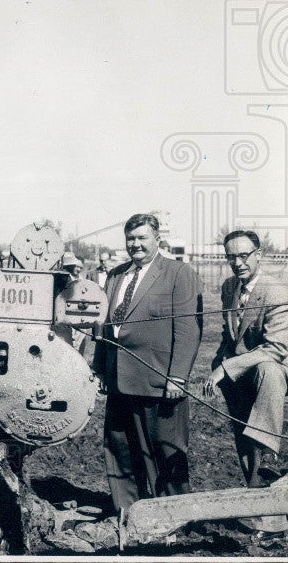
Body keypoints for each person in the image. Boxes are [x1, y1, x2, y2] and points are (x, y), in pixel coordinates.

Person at [93, 213, 201, 513]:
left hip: (158, 382)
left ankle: (175, 516)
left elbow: (188, 329)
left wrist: (177, 377)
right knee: (120, 451)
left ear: (157, 240)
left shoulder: (179, 273)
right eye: (131, 239)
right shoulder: (115, 275)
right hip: (118, 380)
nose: (135, 244)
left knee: (165, 452)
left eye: (142, 238)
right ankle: (129, 513)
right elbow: (104, 325)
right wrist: (100, 367)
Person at [200, 230, 288, 533]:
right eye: (231, 257)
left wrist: (225, 369)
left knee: (268, 370)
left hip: (277, 371)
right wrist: (217, 368)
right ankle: (260, 503)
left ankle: (268, 458)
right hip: (240, 370)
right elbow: (231, 337)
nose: (237, 262)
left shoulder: (277, 292)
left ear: (259, 254)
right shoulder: (229, 287)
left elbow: (276, 348)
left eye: (244, 255)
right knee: (242, 432)